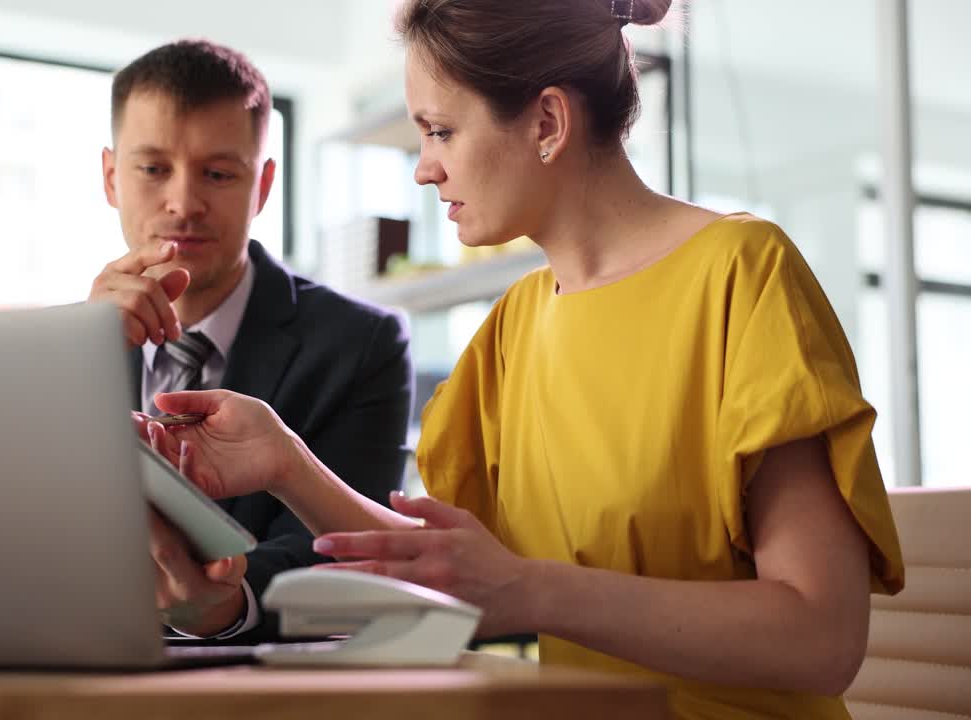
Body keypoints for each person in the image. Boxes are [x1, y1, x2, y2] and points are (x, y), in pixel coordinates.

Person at [139, 2, 905, 717]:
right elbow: (461, 572)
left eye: (440, 132)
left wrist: (530, 590)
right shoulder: (514, 326)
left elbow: (821, 639)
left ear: (546, 121)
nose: (424, 168)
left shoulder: (742, 276)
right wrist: (285, 461)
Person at [89, 39, 413, 642]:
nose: (184, 203)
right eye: (153, 168)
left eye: (218, 173)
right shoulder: (69, 348)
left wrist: (227, 605)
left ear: (262, 186)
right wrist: (79, 360)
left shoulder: (361, 344)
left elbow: (347, 551)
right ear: (111, 177)